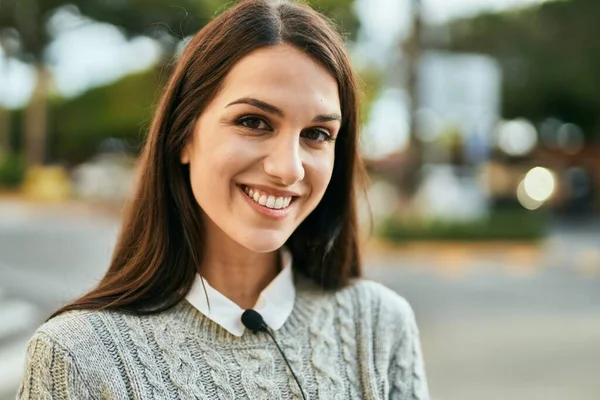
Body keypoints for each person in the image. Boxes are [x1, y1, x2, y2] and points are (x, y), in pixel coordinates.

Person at [18, 0, 429, 398]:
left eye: (317, 134)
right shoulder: (77, 356)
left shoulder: (379, 325)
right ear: (184, 136)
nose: (289, 169)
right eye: (254, 122)